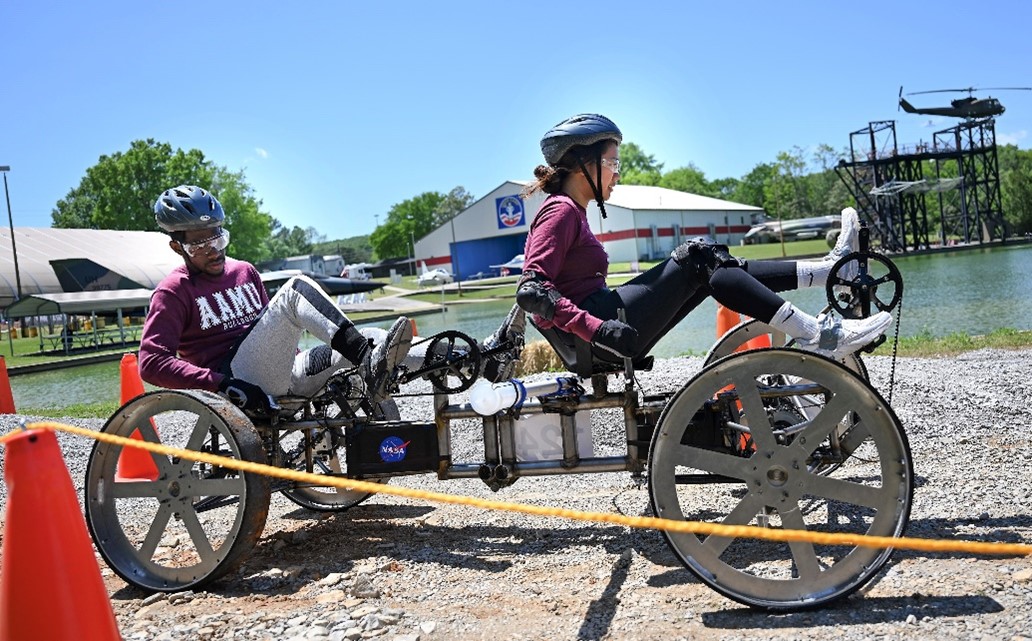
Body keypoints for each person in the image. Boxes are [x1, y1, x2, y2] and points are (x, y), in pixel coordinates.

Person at [516, 114, 893, 364]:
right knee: (699, 258)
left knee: (712, 267)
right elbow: (532, 290)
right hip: (599, 336)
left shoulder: (569, 211)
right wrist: (596, 328)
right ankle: (817, 331)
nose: (617, 175)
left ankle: (829, 273)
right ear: (585, 166)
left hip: (600, 330)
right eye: (613, 164)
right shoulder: (561, 210)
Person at [138, 185, 412, 414]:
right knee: (295, 290)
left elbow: (272, 332)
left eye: (218, 240)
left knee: (375, 337)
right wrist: (220, 384)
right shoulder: (173, 291)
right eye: (200, 245)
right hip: (235, 381)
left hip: (285, 372)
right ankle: (367, 358)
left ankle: (445, 357)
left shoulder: (244, 271)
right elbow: (151, 363)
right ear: (177, 247)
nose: (214, 251)